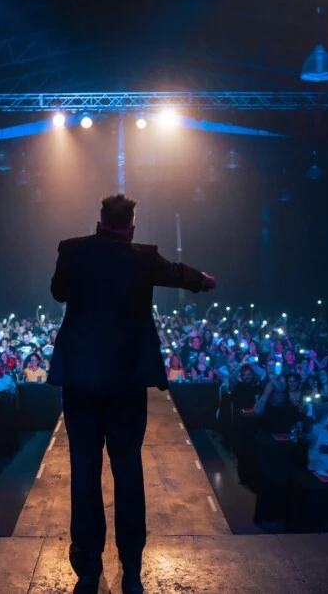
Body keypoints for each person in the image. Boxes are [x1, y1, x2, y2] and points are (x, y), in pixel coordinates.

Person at [49, 194, 216, 594]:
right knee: (127, 471)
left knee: (84, 471)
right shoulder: (143, 257)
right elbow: (179, 274)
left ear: (100, 220)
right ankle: (132, 568)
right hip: (125, 381)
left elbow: (58, 292)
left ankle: (88, 566)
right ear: (131, 225)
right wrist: (203, 280)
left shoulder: (72, 250)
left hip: (81, 380)